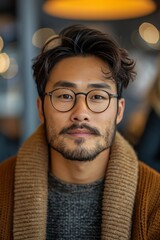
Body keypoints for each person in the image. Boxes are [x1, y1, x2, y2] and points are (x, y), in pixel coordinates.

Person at [0, 24, 160, 240]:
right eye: (65, 96)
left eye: (97, 97)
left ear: (119, 111)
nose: (81, 113)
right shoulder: (2, 189)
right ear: (40, 109)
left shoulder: (154, 200)